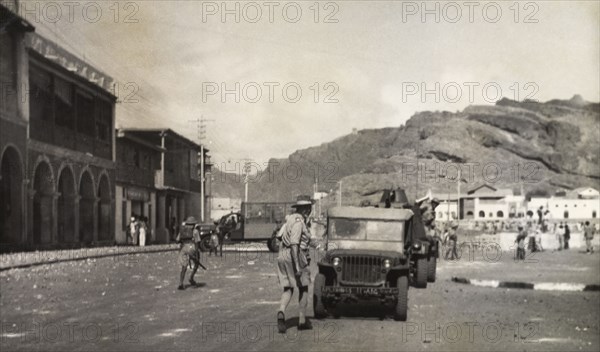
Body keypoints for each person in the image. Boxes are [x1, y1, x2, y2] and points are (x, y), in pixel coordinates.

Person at [276, 195, 316, 333]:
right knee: (304, 287)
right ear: (305, 209)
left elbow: (279, 237)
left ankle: (281, 310)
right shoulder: (299, 222)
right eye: (309, 208)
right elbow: (294, 244)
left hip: (283, 255)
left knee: (288, 288)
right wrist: (298, 266)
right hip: (296, 255)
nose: (310, 210)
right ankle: (302, 320)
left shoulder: (290, 219)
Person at [176, 216, 202, 290]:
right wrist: (196, 255)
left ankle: (181, 283)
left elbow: (177, 240)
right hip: (192, 247)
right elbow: (197, 243)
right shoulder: (195, 231)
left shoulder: (182, 230)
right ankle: (191, 277)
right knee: (196, 263)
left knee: (184, 266)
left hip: (183, 248)